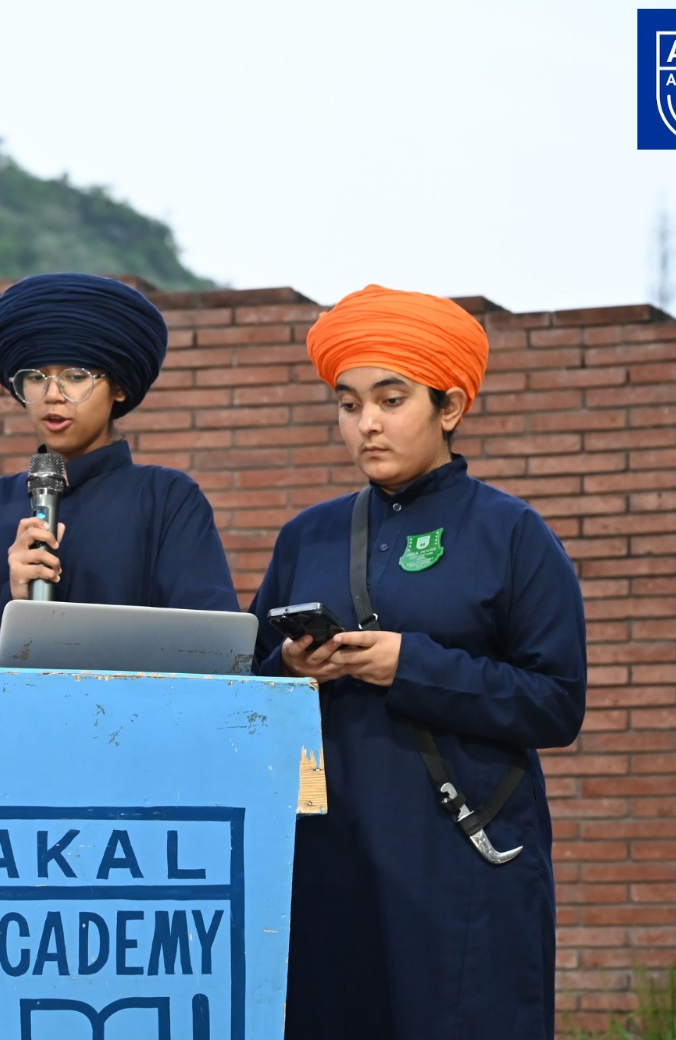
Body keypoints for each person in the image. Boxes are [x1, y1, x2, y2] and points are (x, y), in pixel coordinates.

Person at [249, 284, 587, 1040]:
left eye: (391, 398)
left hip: (462, 859)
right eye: (347, 403)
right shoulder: (309, 536)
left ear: (451, 407)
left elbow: (556, 702)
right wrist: (290, 671)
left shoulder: (513, 535)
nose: (366, 423)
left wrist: (411, 664)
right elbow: (246, 689)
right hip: (327, 861)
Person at [0, 272, 238, 665]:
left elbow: (215, 653)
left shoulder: (166, 500)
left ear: (120, 387)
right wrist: (9, 601)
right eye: (34, 378)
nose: (52, 395)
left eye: (76, 377)